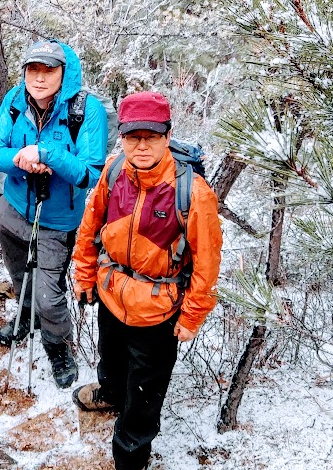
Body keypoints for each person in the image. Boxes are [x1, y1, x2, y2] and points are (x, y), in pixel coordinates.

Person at [70, 91, 223, 470]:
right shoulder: (114, 171)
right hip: (111, 294)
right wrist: (84, 274)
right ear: (121, 137)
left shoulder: (192, 193)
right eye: (132, 137)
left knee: (144, 396)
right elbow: (90, 226)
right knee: (111, 359)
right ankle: (110, 392)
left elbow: (207, 263)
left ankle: (130, 456)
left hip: (157, 310)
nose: (141, 146)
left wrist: (192, 316)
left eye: (151, 137)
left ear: (167, 136)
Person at [0, 39, 109, 388]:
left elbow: (90, 172)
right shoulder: (15, 100)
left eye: (48, 70)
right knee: (17, 273)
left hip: (57, 220)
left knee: (50, 297)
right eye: (33, 69)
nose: (39, 78)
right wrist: (21, 160)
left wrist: (45, 153)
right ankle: (27, 317)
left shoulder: (86, 110)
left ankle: (58, 346)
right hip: (12, 208)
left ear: (64, 73)